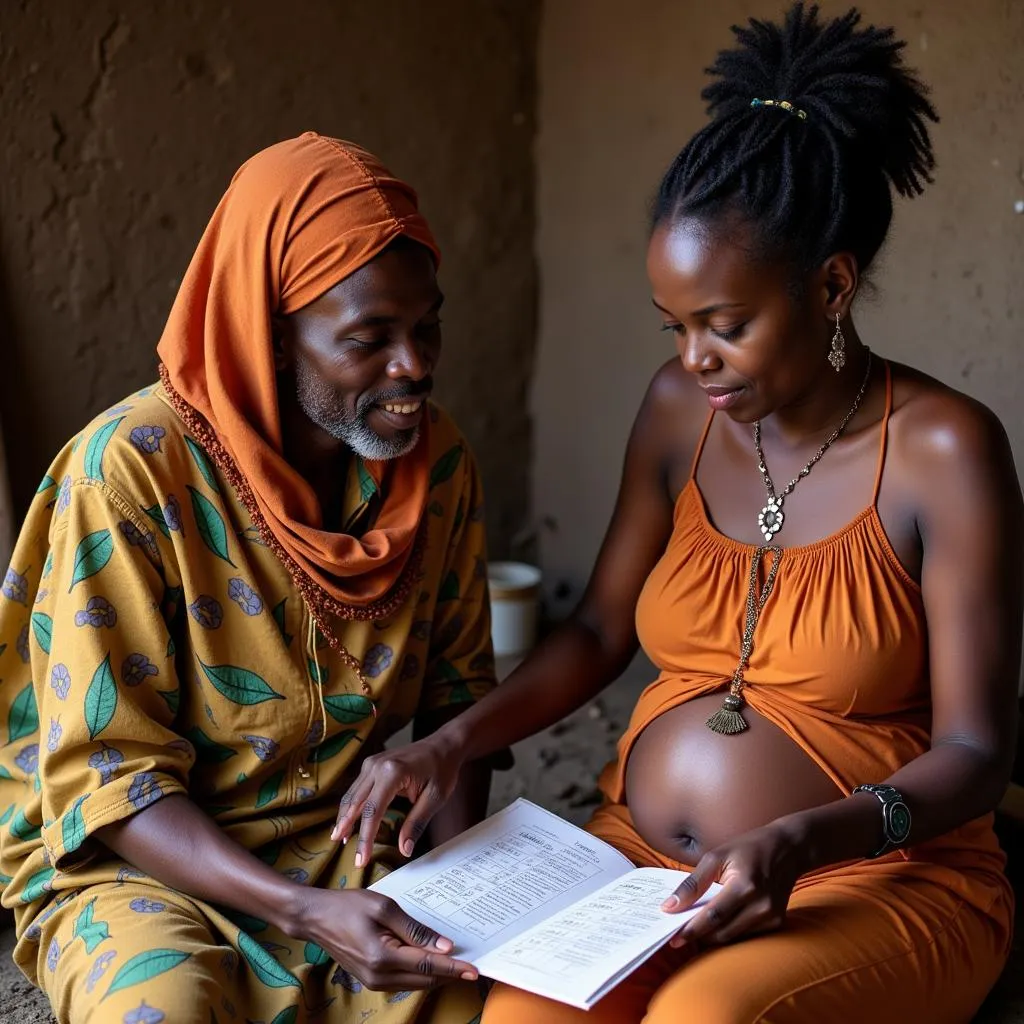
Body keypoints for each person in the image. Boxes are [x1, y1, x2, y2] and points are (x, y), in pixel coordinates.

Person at [332, 6, 1022, 1022]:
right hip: (637, 873)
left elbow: (975, 754)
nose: (692, 359)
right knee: (515, 1017)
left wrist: (800, 838)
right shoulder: (676, 412)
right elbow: (603, 630)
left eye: (725, 326)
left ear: (830, 285)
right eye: (675, 326)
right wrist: (453, 742)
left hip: (875, 876)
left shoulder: (943, 452)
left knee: (701, 1018)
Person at [0, 133, 501, 1023]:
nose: (414, 368)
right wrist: (305, 912)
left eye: (426, 328)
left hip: (353, 848)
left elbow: (457, 706)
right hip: (145, 864)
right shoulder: (129, 476)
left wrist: (462, 896)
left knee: (494, 998)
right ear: (265, 333)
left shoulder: (437, 466)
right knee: (165, 1010)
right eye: (368, 340)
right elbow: (110, 781)